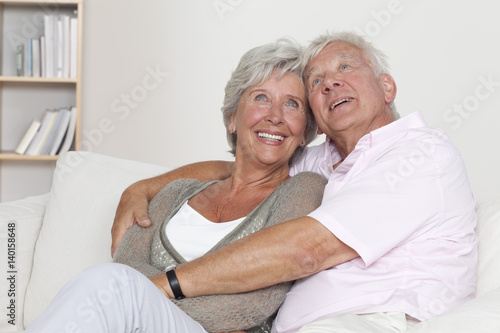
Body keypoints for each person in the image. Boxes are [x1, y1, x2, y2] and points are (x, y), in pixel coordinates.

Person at [111, 31, 477, 333]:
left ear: (387, 87)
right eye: (316, 81)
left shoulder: (420, 155)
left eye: (345, 67)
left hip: (379, 320)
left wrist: (161, 287)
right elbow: (246, 165)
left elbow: (306, 251)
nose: (331, 82)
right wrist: (142, 188)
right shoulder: (325, 161)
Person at [25, 39, 327, 333]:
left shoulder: (302, 191)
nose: (275, 116)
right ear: (233, 118)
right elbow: (128, 266)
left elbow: (257, 300)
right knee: (113, 283)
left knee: (110, 284)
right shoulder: (174, 193)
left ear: (304, 132)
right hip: (138, 323)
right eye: (261, 97)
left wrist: (144, 300)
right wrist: (141, 304)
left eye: (292, 104)